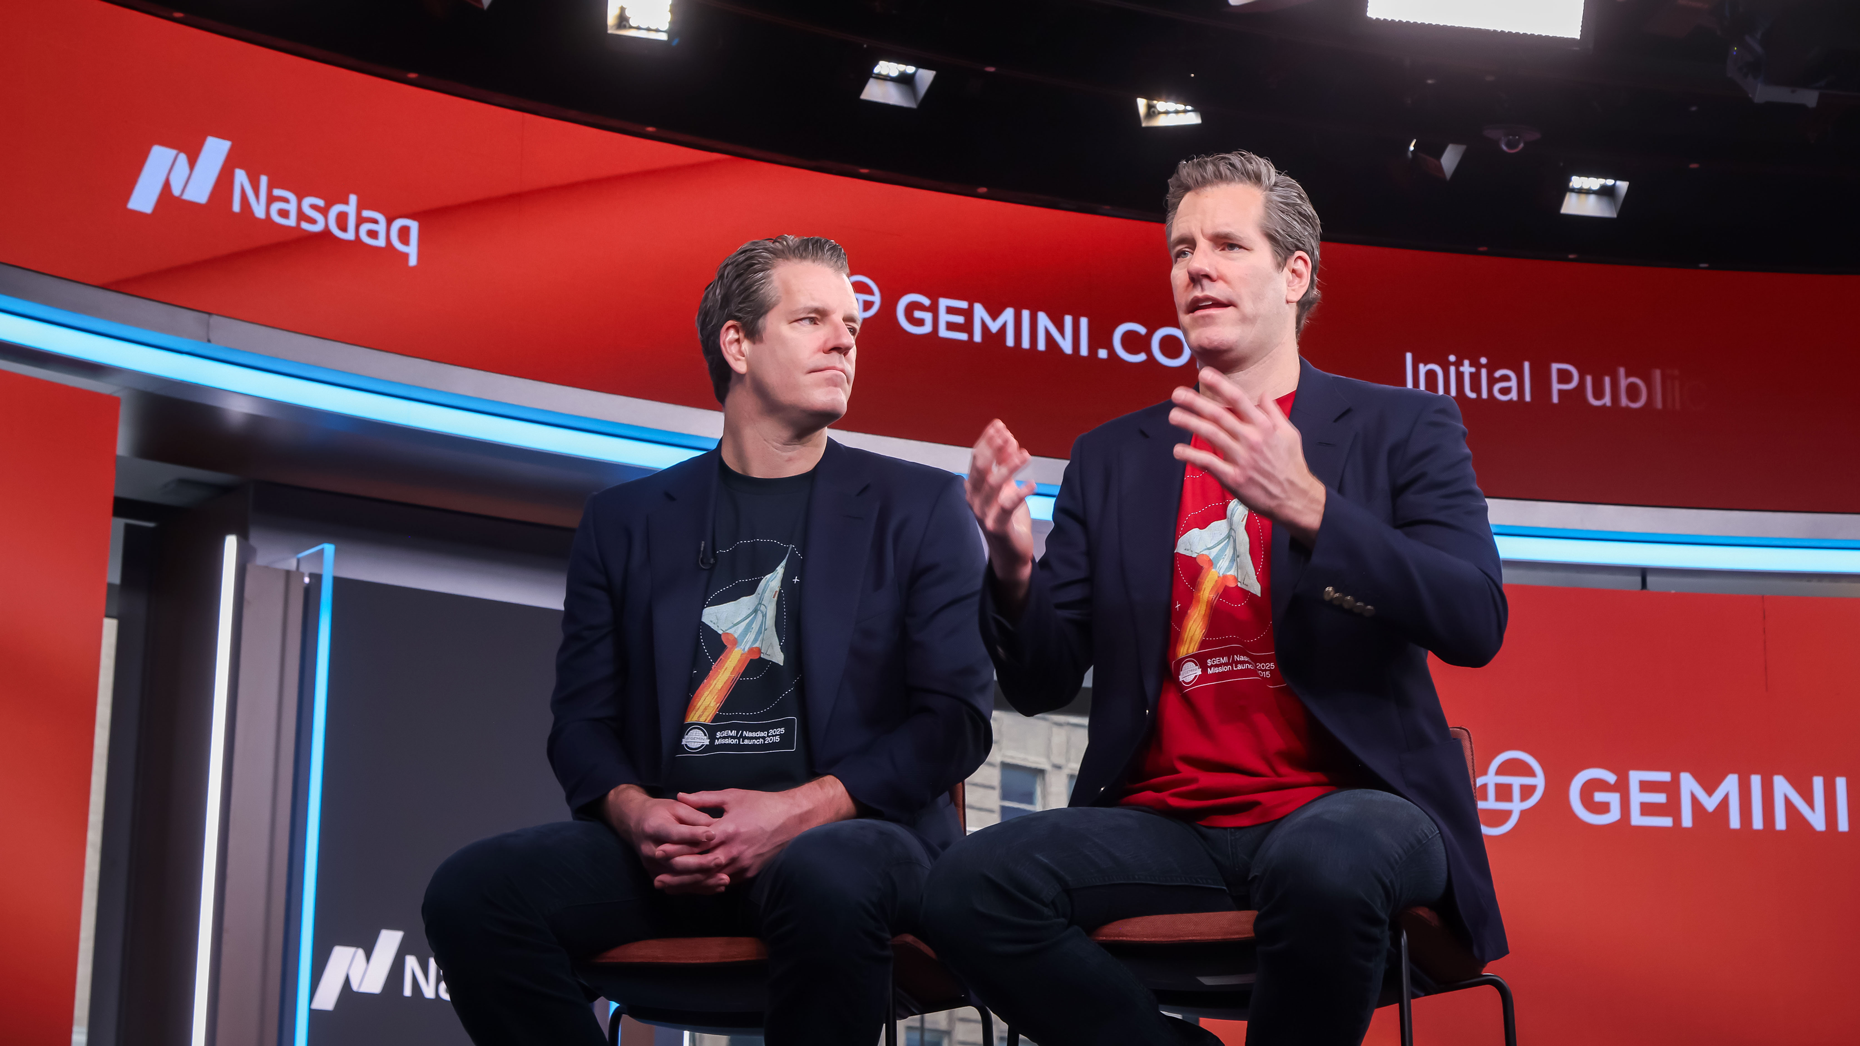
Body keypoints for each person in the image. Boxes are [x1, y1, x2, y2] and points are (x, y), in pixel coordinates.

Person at [921, 150, 1508, 1046]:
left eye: (1229, 244)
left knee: (1328, 860)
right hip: (1167, 824)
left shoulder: (1401, 427)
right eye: (1181, 249)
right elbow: (1042, 678)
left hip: (1352, 808)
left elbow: (1474, 619)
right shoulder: (1114, 457)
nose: (1197, 265)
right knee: (964, 888)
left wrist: (1309, 505)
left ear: (1295, 272)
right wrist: (1007, 566)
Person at [424, 235, 995, 1046]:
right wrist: (635, 815)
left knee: (826, 873)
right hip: (673, 857)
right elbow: (581, 725)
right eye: (813, 320)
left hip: (854, 845)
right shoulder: (622, 522)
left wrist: (798, 811)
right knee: (473, 893)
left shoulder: (923, 507)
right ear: (738, 343)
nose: (845, 341)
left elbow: (955, 724)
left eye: (854, 326)